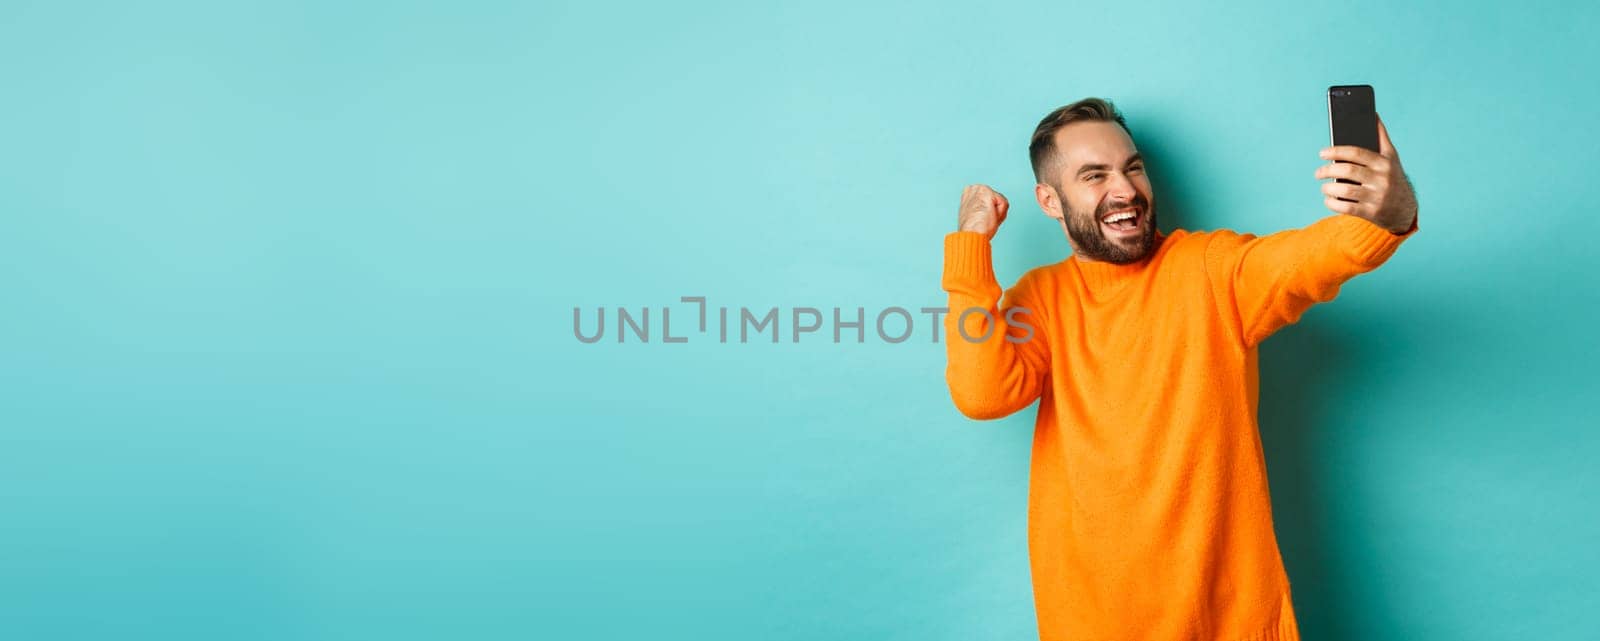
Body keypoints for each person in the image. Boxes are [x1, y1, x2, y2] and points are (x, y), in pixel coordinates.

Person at [941, 97, 1418, 641]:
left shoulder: (1212, 270)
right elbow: (984, 394)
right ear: (1050, 201)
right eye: (1094, 175)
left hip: (1230, 621)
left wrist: (1392, 210)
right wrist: (970, 247)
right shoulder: (1041, 299)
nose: (1124, 191)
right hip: (1093, 623)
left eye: (1133, 168)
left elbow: (1317, 255)